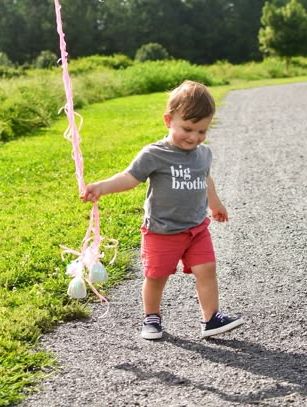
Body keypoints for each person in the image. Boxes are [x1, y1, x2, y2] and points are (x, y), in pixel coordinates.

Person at [81, 79, 243, 340]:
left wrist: (215, 204)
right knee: (156, 277)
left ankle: (211, 318)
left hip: (196, 229)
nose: (194, 137)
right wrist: (102, 187)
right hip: (162, 231)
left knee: (207, 268)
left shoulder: (203, 154)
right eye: (188, 129)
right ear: (169, 121)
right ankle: (152, 318)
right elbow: (129, 178)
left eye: (202, 131)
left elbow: (205, 179)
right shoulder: (154, 154)